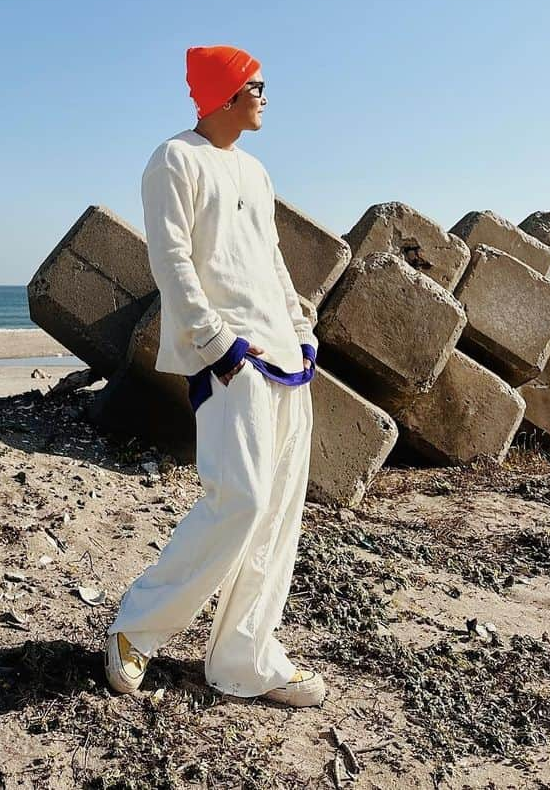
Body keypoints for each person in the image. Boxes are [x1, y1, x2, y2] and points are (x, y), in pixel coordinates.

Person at [104, 44, 325, 708]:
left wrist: (303, 326)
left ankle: (245, 657)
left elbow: (271, 259)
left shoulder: (255, 172)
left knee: (279, 512)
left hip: (288, 357)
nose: (265, 94)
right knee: (242, 499)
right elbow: (169, 258)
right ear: (226, 93)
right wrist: (215, 342)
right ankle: (134, 629)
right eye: (256, 84)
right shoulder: (174, 159)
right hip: (230, 359)